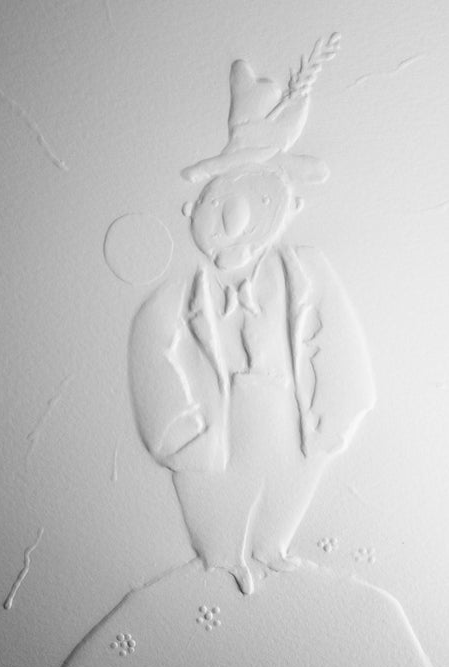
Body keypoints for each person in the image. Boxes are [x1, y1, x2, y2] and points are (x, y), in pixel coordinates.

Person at [129, 48, 375, 594]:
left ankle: (271, 547)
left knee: (286, 478)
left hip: (288, 406)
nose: (236, 219)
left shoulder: (306, 271)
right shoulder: (180, 295)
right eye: (220, 200)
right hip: (218, 414)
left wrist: (337, 409)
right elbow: (152, 348)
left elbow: (337, 338)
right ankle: (221, 560)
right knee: (216, 495)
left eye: (256, 196)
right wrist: (177, 430)